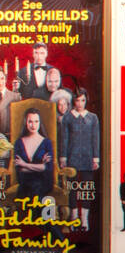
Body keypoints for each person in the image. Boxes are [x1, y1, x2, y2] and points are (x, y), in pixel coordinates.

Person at [60, 91, 100, 229]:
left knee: (86, 189)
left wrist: (96, 158)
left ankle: (84, 221)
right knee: (72, 189)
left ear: (86, 101)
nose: (80, 104)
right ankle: (74, 218)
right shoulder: (67, 118)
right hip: (72, 158)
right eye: (77, 101)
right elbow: (64, 139)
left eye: (82, 100)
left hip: (88, 158)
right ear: (73, 101)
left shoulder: (93, 118)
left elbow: (96, 139)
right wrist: (63, 158)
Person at [13, 108, 54, 199]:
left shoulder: (47, 142)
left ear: (40, 123)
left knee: (35, 188)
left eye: (36, 121)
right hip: (25, 182)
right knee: (24, 192)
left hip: (43, 182)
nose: (33, 125)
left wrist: (24, 164)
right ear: (26, 123)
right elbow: (20, 170)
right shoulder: (19, 142)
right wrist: (40, 166)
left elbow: (47, 168)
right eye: (30, 121)